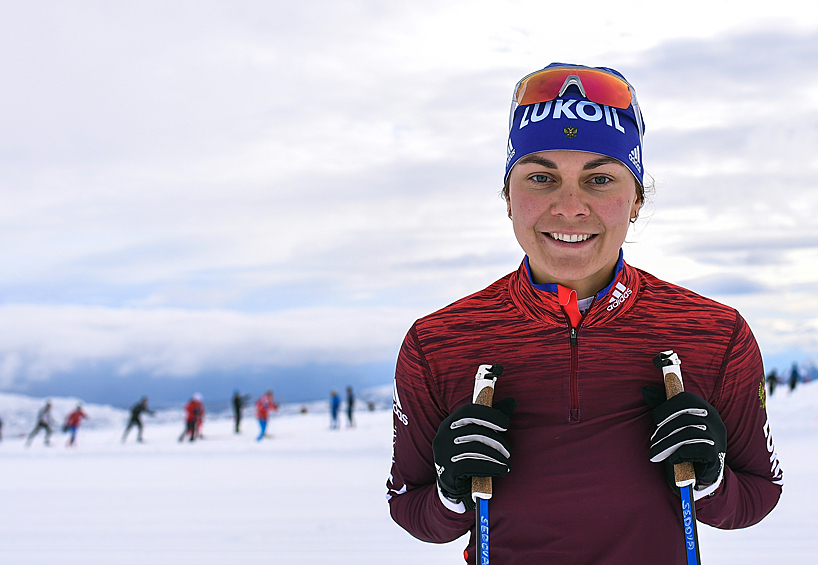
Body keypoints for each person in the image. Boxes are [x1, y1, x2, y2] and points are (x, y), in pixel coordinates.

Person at [386, 63, 783, 564]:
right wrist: (450, 493)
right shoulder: (439, 341)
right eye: (540, 177)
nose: (569, 206)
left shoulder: (715, 333)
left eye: (599, 179)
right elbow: (410, 508)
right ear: (508, 197)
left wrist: (711, 479)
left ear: (636, 199)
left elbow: (758, 496)